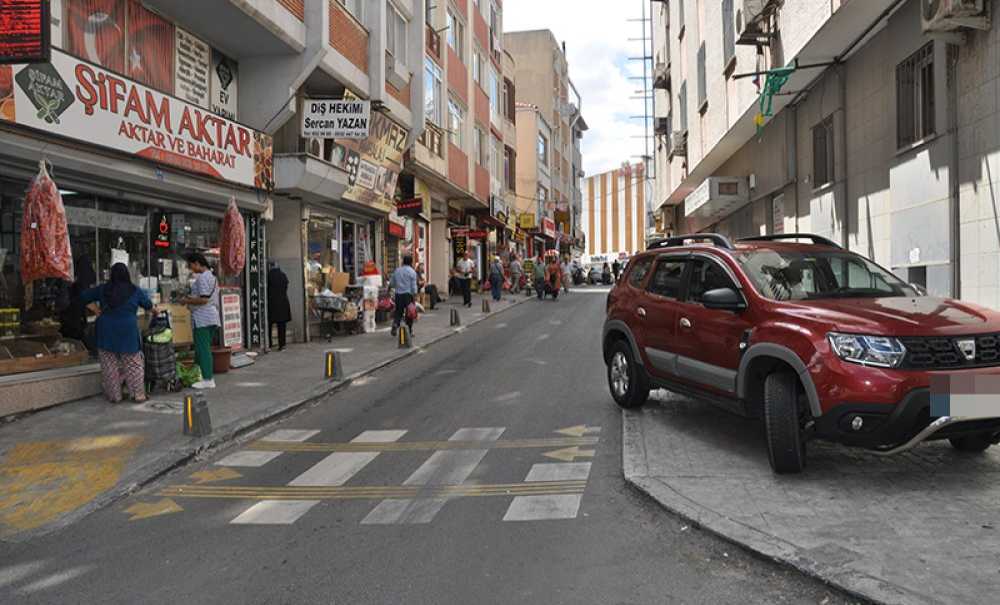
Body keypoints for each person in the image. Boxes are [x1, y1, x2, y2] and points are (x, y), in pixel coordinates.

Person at [81, 263, 155, 403]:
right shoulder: (135, 290)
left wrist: (96, 310)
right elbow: (148, 305)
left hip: (106, 329)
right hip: (127, 330)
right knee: (133, 363)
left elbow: (83, 296)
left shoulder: (103, 289)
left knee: (109, 365)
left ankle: (115, 396)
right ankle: (138, 395)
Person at [182, 253, 220, 390]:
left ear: (197, 263)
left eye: (191, 265)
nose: (190, 268)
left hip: (203, 318)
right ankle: (198, 375)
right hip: (210, 317)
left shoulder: (203, 278)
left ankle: (208, 378)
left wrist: (187, 300)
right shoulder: (211, 276)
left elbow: (203, 299)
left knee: (203, 349)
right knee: (201, 348)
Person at [59, 254, 97, 351]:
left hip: (69, 319)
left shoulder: (75, 283)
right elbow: (86, 300)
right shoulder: (82, 284)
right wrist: (99, 311)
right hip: (75, 322)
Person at [390, 255, 419, 337]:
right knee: (409, 313)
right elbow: (413, 286)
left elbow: (392, 283)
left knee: (398, 311)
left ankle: (396, 323)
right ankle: (409, 331)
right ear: (411, 262)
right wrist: (415, 294)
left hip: (398, 295)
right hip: (408, 295)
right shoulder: (412, 272)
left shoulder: (397, 270)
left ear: (403, 261)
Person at [267, 261, 291, 351]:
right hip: (283, 303)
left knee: (269, 325)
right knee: (282, 326)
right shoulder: (283, 275)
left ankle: (269, 344)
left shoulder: (268, 276)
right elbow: (286, 286)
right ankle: (282, 345)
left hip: (271, 303)